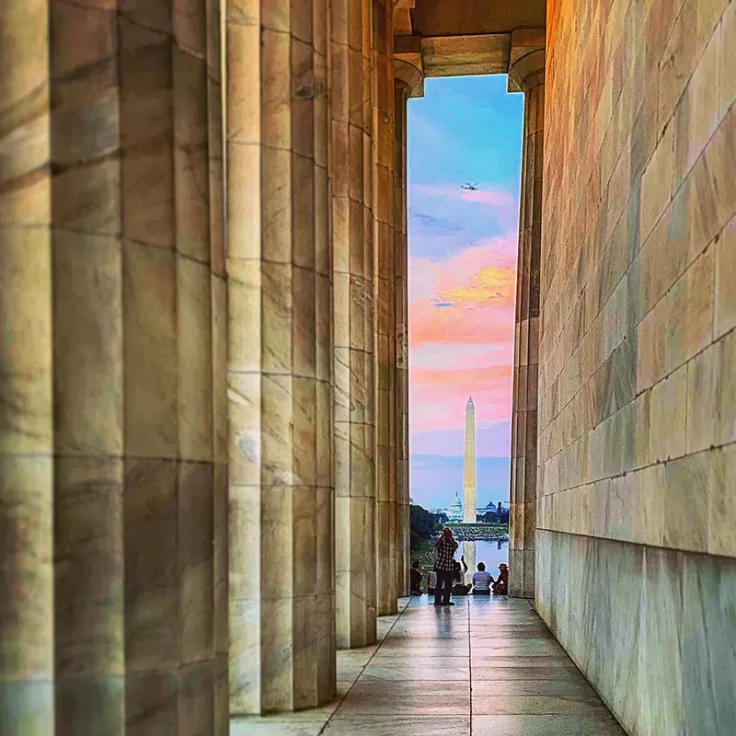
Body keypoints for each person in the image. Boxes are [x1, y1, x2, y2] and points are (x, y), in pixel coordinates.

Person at [433, 527, 458, 606]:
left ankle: (442, 601)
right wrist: (448, 538)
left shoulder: (446, 542)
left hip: (444, 565)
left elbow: (455, 545)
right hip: (446, 566)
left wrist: (447, 537)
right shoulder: (444, 542)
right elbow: (437, 544)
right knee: (443, 584)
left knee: (443, 584)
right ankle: (442, 601)